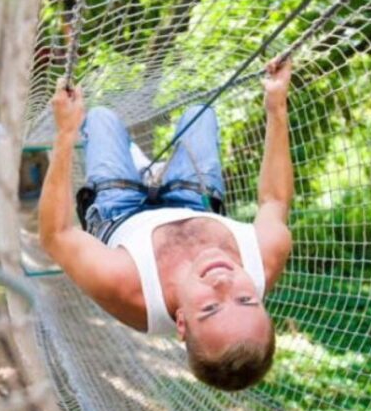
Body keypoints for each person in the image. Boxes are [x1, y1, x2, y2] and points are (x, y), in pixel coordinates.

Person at [39, 58, 293, 391]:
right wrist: (276, 106)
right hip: (194, 200)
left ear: (182, 323)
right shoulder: (266, 258)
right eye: (246, 300)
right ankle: (153, 172)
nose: (223, 281)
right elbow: (274, 200)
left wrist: (66, 132)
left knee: (101, 119)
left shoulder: (127, 287)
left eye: (211, 306)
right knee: (200, 115)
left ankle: (137, 168)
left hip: (121, 212)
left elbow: (56, 234)